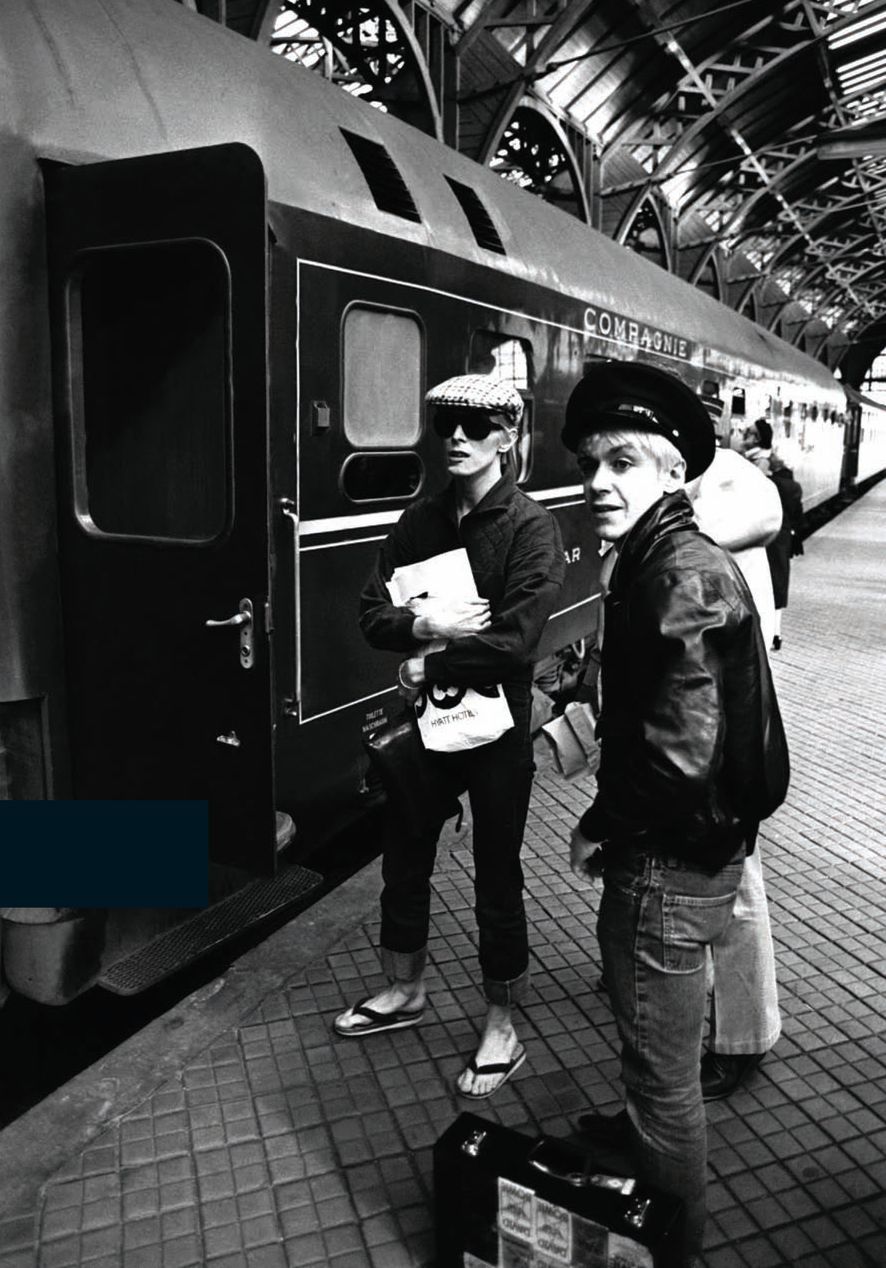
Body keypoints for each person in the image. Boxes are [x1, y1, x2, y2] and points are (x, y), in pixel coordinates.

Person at [562, 361, 789, 1266]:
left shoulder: (675, 575)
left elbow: (680, 755)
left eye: (623, 462)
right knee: (656, 1069)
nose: (597, 483)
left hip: (663, 868)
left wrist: (601, 824)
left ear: (669, 472)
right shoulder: (678, 559)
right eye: (590, 462)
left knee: (662, 1088)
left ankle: (670, 1250)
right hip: (697, 853)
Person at [334, 373, 565, 1099]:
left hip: (498, 729)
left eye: (474, 427)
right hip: (430, 727)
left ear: (507, 434)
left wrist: (423, 662)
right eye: (446, 428)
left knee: (498, 876)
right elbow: (372, 613)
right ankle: (404, 988)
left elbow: (517, 643)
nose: (456, 440)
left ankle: (503, 1024)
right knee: (403, 859)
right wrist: (423, 626)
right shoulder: (420, 521)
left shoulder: (530, 527)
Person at [687, 447, 783, 1099]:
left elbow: (767, 515)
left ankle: (743, 1037)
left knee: (737, 882)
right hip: (682, 719)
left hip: (720, 719)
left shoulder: (728, 477)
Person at [766, 453, 805, 651]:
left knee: (766, 583)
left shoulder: (768, 483)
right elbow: (798, 517)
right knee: (780, 586)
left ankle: (768, 631)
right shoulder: (794, 487)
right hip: (783, 540)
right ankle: (776, 633)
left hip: (768, 538)